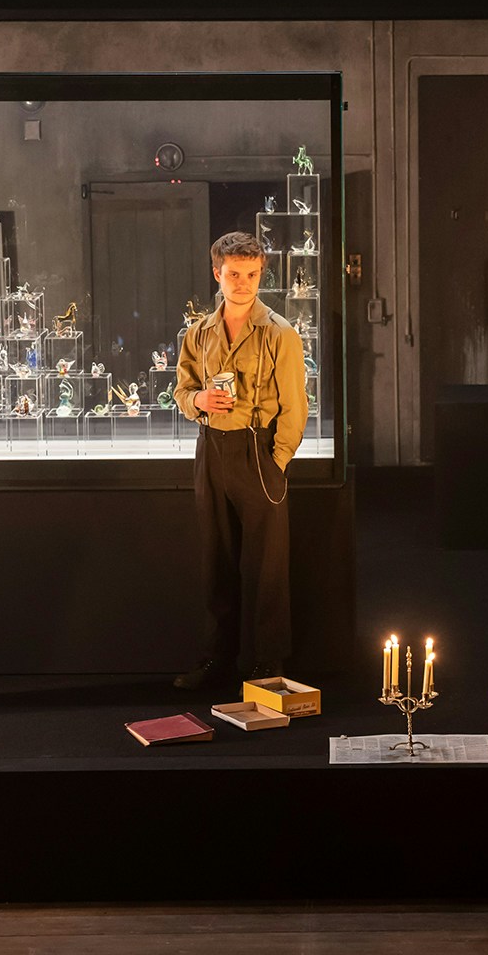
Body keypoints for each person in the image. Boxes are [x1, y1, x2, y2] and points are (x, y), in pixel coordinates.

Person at [172, 230, 308, 689]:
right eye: (234, 274)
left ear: (261, 273)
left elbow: (295, 404)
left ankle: (269, 663)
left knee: (268, 565)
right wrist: (199, 402)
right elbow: (181, 389)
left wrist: (278, 460)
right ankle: (217, 660)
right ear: (218, 274)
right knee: (217, 560)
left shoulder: (280, 334)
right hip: (211, 451)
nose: (243, 283)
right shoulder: (199, 332)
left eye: (252, 274)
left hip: (258, 449)